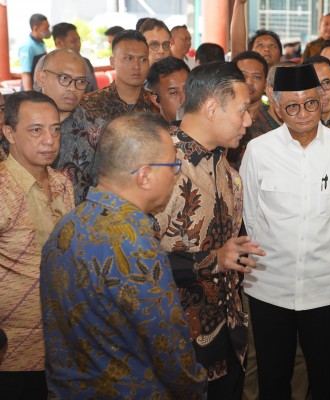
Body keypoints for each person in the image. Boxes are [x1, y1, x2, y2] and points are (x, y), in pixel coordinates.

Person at [40, 113, 208, 399]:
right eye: (173, 166)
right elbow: (170, 350)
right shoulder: (134, 244)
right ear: (144, 176)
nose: (176, 174)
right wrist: (197, 389)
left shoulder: (66, 226)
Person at [239, 64, 330, 400]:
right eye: (292, 106)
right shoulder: (258, 150)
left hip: (326, 288)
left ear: (322, 101)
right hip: (269, 286)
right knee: (272, 378)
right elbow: (251, 215)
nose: (303, 113)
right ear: (278, 108)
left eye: (310, 103)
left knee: (326, 378)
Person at [154, 61, 265, 399]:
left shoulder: (227, 169)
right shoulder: (161, 164)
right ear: (213, 108)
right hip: (175, 343)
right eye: (243, 110)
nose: (249, 120)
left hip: (228, 336)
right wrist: (214, 259)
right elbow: (135, 261)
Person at [0, 91, 75, 399]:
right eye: (36, 130)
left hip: (62, 345)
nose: (49, 140)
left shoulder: (63, 183)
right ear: (9, 133)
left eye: (55, 129)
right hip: (12, 354)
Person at [37, 49, 106, 204]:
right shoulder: (15, 124)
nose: (72, 88)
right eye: (64, 78)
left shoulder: (99, 132)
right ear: (41, 78)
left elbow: (103, 195)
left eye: (80, 81)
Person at [81, 30, 160, 121]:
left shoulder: (159, 102)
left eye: (143, 59)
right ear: (112, 62)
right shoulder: (88, 105)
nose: (136, 66)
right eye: (128, 58)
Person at [227, 51, 269, 169]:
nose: (249, 82)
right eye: (243, 75)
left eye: (257, 77)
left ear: (265, 83)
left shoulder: (275, 117)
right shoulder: (221, 117)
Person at [33, 22, 98, 93]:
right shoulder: (45, 62)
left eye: (79, 40)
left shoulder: (86, 62)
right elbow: (38, 93)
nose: (78, 44)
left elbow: (95, 91)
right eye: (73, 41)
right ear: (59, 43)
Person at [147, 56, 190, 123]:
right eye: (174, 93)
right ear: (156, 101)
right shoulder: (150, 129)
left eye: (187, 89)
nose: (184, 99)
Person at [18, 14, 50, 91]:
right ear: (36, 29)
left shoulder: (41, 42)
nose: (48, 31)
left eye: (48, 27)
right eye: (45, 28)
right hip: (31, 90)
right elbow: (26, 74)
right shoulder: (27, 46)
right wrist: (29, 94)